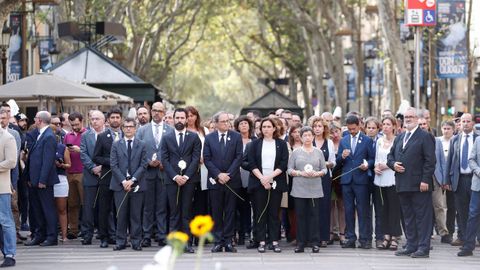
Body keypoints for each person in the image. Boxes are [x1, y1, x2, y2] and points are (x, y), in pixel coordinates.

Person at [387, 107, 436, 258]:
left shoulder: (424, 136)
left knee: (422, 217)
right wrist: (393, 164)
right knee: (408, 217)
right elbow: (390, 156)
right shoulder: (400, 137)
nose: (407, 119)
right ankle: (411, 245)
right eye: (405, 116)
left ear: (417, 118)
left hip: (420, 185)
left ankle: (423, 248)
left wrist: (425, 180)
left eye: (411, 116)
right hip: (403, 184)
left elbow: (430, 161)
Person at [160, 108, 201, 253]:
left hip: (189, 181)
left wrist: (186, 176)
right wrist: (175, 176)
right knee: (174, 212)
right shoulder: (166, 138)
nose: (179, 120)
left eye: (182, 118)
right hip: (172, 180)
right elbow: (164, 159)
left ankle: (187, 243)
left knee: (186, 212)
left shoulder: (194, 137)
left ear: (186, 119)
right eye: (177, 118)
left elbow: (196, 158)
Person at [246, 118, 288, 253]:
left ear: (274, 128)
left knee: (274, 213)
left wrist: (269, 178)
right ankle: (261, 241)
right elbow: (251, 163)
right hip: (258, 183)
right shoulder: (254, 144)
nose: (266, 129)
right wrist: (263, 179)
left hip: (275, 182)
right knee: (260, 213)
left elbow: (283, 164)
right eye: (264, 127)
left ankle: (274, 241)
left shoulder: (281, 144)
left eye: (269, 126)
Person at [204, 112, 243, 253]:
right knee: (216, 212)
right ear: (216, 123)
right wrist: (218, 175)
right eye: (223, 121)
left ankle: (228, 241)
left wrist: (228, 175)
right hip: (215, 181)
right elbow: (207, 159)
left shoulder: (236, 136)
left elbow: (239, 157)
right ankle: (218, 241)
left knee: (231, 211)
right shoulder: (209, 138)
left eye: (228, 121)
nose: (227, 123)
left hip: (232, 181)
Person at [137, 102, 172, 247]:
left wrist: (165, 163)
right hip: (147, 173)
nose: (157, 113)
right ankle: (146, 235)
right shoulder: (142, 130)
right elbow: (137, 150)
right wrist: (147, 162)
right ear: (151, 112)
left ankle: (161, 234)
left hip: (164, 174)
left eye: (160, 111)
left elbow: (173, 151)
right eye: (155, 110)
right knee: (147, 206)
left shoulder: (170, 130)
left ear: (164, 113)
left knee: (162, 206)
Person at [336, 115, 375, 249]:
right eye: (349, 129)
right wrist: (342, 156)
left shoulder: (367, 140)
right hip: (347, 181)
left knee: (363, 210)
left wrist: (367, 165)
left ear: (359, 126)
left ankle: (365, 239)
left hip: (361, 180)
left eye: (353, 129)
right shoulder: (344, 140)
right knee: (348, 210)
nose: (351, 131)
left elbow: (372, 159)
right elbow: (338, 162)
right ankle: (350, 238)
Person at [110, 118, 148, 251]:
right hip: (119, 185)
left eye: (131, 126)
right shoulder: (116, 144)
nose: (128, 129)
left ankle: (136, 241)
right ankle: (120, 241)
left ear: (135, 128)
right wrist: (123, 181)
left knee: (136, 215)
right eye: (125, 126)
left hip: (137, 184)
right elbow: (113, 165)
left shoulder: (142, 144)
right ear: (122, 128)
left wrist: (133, 180)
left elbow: (144, 164)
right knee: (121, 214)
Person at [287, 126, 327, 253]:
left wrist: (318, 173)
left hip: (314, 189)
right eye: (305, 135)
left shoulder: (318, 152)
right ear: (301, 137)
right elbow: (289, 170)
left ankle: (315, 242)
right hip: (299, 189)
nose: (308, 138)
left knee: (314, 216)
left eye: (310, 135)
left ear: (313, 137)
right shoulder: (296, 152)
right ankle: (301, 243)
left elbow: (325, 169)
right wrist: (300, 173)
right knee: (300, 216)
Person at [24, 111, 59, 247]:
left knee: (47, 209)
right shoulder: (40, 135)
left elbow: (48, 161)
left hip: (43, 181)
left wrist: (42, 180)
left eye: (35, 118)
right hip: (34, 180)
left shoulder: (49, 136)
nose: (34, 120)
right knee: (37, 209)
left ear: (39, 120)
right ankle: (40, 235)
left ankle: (51, 236)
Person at [445, 113, 478, 246]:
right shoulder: (455, 140)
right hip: (459, 180)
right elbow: (450, 162)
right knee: (462, 210)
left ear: (472, 123)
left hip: (475, 179)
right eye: (463, 121)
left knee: (476, 210)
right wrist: (447, 180)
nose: (465, 123)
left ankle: (477, 238)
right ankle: (463, 237)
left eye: (468, 121)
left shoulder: (478, 138)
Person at [93, 107, 124, 248]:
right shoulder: (102, 136)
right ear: (108, 120)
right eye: (113, 117)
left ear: (121, 119)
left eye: (118, 117)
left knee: (121, 208)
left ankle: (120, 236)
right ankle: (104, 237)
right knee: (104, 208)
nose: (115, 120)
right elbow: (96, 157)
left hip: (124, 178)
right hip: (107, 176)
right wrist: (111, 162)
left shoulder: (127, 134)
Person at [373, 116, 401, 250]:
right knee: (382, 208)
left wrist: (386, 166)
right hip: (379, 179)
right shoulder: (378, 141)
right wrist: (375, 167)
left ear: (394, 126)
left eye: (388, 124)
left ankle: (395, 237)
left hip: (393, 178)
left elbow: (399, 160)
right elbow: (376, 158)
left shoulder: (398, 141)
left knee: (394, 209)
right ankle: (386, 236)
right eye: (383, 124)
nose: (385, 127)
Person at [79, 110, 105, 246]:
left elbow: (113, 153)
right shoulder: (85, 135)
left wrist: (102, 167)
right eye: (92, 119)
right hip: (90, 175)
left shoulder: (110, 134)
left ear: (103, 120)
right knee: (88, 207)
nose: (94, 121)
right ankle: (87, 234)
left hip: (106, 175)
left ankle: (105, 233)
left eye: (97, 119)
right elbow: (82, 153)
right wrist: (93, 167)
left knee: (105, 207)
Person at [310, 117, 336, 247]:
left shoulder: (329, 143)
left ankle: (324, 237)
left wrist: (325, 164)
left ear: (324, 128)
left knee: (324, 206)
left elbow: (333, 162)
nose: (317, 128)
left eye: (320, 126)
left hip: (325, 177)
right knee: (312, 206)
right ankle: (312, 236)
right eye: (315, 126)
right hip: (310, 177)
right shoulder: (309, 141)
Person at [63, 112, 86, 240]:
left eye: (77, 124)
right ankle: (73, 229)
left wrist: (80, 150)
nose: (75, 127)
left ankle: (86, 228)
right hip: (70, 172)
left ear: (82, 121)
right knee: (72, 203)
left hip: (83, 172)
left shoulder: (87, 133)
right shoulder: (68, 136)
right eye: (72, 125)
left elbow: (92, 152)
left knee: (85, 203)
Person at [233, 115, 254, 246]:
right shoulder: (234, 140)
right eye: (241, 124)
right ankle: (239, 234)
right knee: (238, 207)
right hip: (236, 177)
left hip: (251, 176)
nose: (244, 126)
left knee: (249, 207)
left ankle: (248, 231)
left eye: (246, 123)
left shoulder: (255, 141)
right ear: (237, 127)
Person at [458, 135, 480, 256]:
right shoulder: (478, 140)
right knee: (473, 215)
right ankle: (468, 246)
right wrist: (478, 171)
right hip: (478, 185)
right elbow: (471, 159)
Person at [0, 122, 18, 267]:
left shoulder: (7, 137)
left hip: (1, 188)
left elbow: (11, 162)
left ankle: (10, 254)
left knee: (5, 221)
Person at [434, 121, 454, 244]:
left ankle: (444, 232)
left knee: (442, 206)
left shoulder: (452, 141)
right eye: (444, 128)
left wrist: (443, 179)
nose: (446, 130)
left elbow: (442, 162)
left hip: (443, 178)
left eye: (448, 128)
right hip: (426, 177)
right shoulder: (437, 140)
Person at [51, 120, 71, 243]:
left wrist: (61, 164)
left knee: (62, 209)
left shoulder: (62, 147)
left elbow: (69, 165)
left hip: (60, 179)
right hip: (47, 180)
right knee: (49, 209)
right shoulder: (41, 145)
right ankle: (51, 234)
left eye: (54, 133)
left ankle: (64, 236)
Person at [329, 121, 346, 245]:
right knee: (330, 206)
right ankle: (330, 232)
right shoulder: (329, 144)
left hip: (341, 177)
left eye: (337, 131)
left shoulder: (344, 143)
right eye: (332, 132)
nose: (335, 134)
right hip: (330, 177)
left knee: (341, 206)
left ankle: (342, 233)